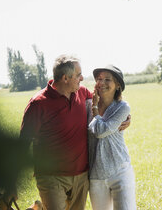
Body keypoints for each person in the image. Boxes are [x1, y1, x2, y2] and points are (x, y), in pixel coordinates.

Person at [16, 55, 130, 210]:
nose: (82, 78)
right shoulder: (38, 103)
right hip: (52, 177)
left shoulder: (82, 93)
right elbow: (23, 142)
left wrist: (126, 116)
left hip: (82, 176)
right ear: (65, 78)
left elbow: (106, 104)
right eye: (78, 75)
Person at [87, 65, 136, 210]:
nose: (102, 83)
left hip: (120, 171)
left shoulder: (122, 107)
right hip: (96, 176)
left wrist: (95, 110)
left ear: (118, 85)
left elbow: (101, 131)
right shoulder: (85, 105)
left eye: (107, 79)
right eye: (99, 79)